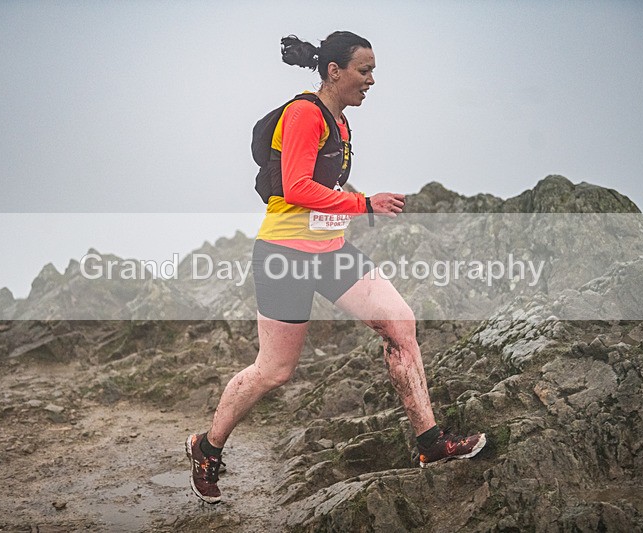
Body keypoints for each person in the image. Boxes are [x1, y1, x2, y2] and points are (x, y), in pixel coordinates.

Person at [186, 31, 486, 504]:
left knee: (400, 324)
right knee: (274, 371)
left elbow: (321, 197)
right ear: (334, 71)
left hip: (330, 253)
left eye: (372, 72)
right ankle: (206, 447)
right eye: (364, 71)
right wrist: (364, 202)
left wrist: (356, 211)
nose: (371, 81)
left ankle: (430, 444)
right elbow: (296, 187)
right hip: (285, 255)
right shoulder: (305, 113)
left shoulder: (341, 123)